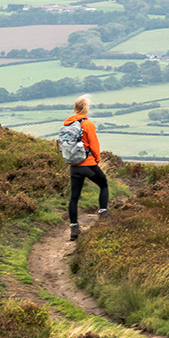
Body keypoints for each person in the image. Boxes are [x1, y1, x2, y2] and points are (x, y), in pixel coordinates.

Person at [63, 95, 109, 240]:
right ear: (86, 108)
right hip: (88, 164)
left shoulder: (68, 124)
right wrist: (97, 159)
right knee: (103, 184)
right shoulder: (88, 124)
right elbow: (94, 144)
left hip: (73, 166)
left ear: (75, 108)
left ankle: (74, 230)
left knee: (74, 197)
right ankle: (103, 216)